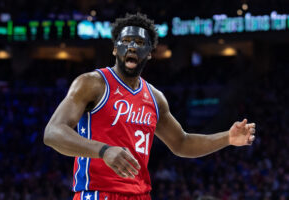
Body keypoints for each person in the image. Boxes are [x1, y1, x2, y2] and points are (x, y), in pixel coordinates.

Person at [44, 13, 256, 200]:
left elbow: (182, 143)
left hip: (140, 195)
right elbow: (53, 132)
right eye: (126, 41)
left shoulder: (155, 98)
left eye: (139, 42)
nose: (132, 46)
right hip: (98, 193)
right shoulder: (92, 83)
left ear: (149, 52)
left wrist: (227, 138)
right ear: (115, 48)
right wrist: (103, 150)